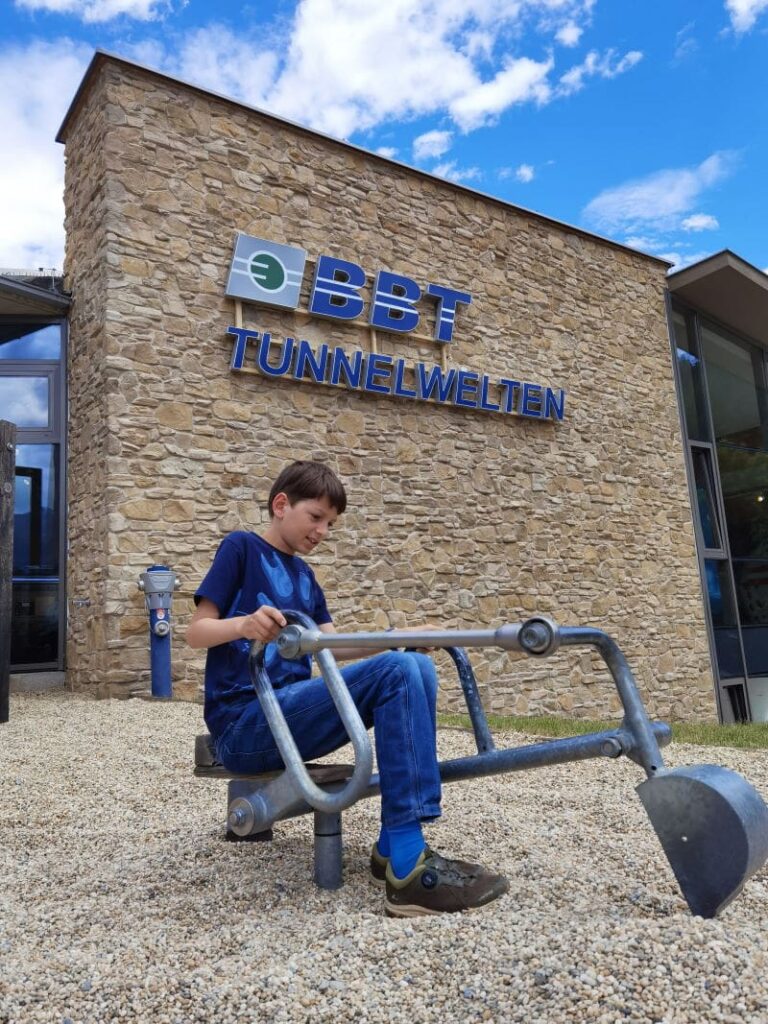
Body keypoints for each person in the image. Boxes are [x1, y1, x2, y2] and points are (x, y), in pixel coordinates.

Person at [187, 460, 508, 916]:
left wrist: (405, 634)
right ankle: (409, 870)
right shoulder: (240, 549)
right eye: (315, 517)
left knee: (415, 665)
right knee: (397, 672)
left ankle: (396, 844)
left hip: (288, 718)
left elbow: (332, 649)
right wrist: (243, 624)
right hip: (244, 725)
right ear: (282, 505)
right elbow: (196, 632)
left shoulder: (306, 579)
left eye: (330, 524)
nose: (322, 531)